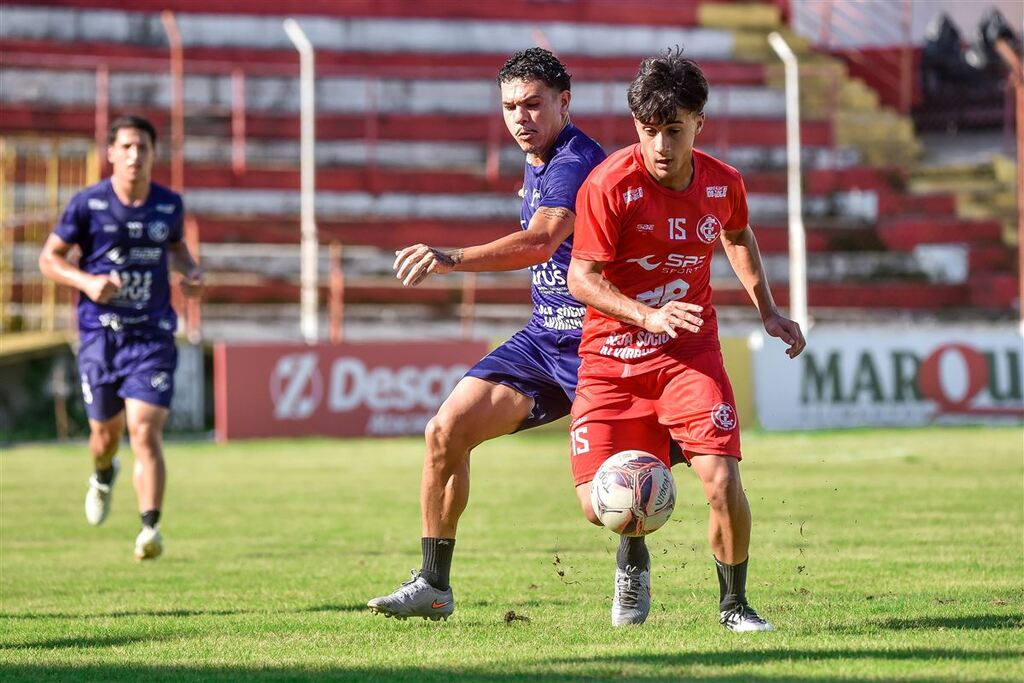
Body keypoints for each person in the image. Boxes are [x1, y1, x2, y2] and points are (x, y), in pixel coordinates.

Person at [566, 48, 806, 630]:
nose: (661, 147)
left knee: (722, 479)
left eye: (674, 130)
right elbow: (582, 279)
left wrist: (768, 312)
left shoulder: (724, 184)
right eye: (649, 131)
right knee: (602, 506)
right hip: (612, 361)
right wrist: (646, 318)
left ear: (699, 122)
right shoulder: (607, 186)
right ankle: (634, 550)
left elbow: (739, 235)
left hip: (687, 356)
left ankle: (734, 606)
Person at [366, 48, 607, 620]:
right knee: (445, 432)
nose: (520, 118)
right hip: (545, 341)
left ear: (563, 103)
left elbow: (542, 241)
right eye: (509, 107)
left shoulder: (575, 162)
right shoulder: (539, 156)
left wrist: (451, 258)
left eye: (533, 105)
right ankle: (433, 585)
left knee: (607, 499)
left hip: (600, 345)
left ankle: (635, 564)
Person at [38, 115, 203, 561]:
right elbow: (48, 258)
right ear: (110, 153)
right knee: (104, 436)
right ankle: (103, 472)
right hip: (100, 338)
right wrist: (87, 282)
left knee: (144, 431)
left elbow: (176, 249)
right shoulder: (87, 204)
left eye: (143, 147)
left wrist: (191, 272)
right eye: (126, 147)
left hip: (151, 337)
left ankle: (150, 528)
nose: (135, 155)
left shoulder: (168, 205)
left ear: (153, 154)